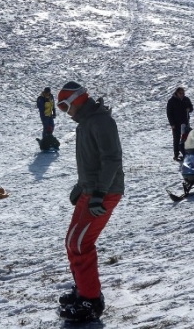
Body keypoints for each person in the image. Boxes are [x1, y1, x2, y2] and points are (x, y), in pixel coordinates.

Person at [55, 81, 124, 322]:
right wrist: (81, 186)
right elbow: (91, 161)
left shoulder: (101, 121)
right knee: (72, 241)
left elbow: (112, 159)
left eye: (64, 106)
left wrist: (98, 194)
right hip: (91, 189)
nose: (65, 112)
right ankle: (83, 289)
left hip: (104, 192)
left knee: (82, 243)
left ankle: (91, 300)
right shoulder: (86, 123)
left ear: (77, 100)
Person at [166, 87, 193, 161]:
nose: (182, 95)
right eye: (180, 93)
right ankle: (176, 154)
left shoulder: (186, 99)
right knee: (177, 138)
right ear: (177, 93)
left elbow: (191, 107)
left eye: (183, 93)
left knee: (186, 137)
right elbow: (169, 113)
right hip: (176, 123)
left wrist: (189, 109)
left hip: (185, 122)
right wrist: (172, 123)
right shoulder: (171, 101)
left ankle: (186, 152)